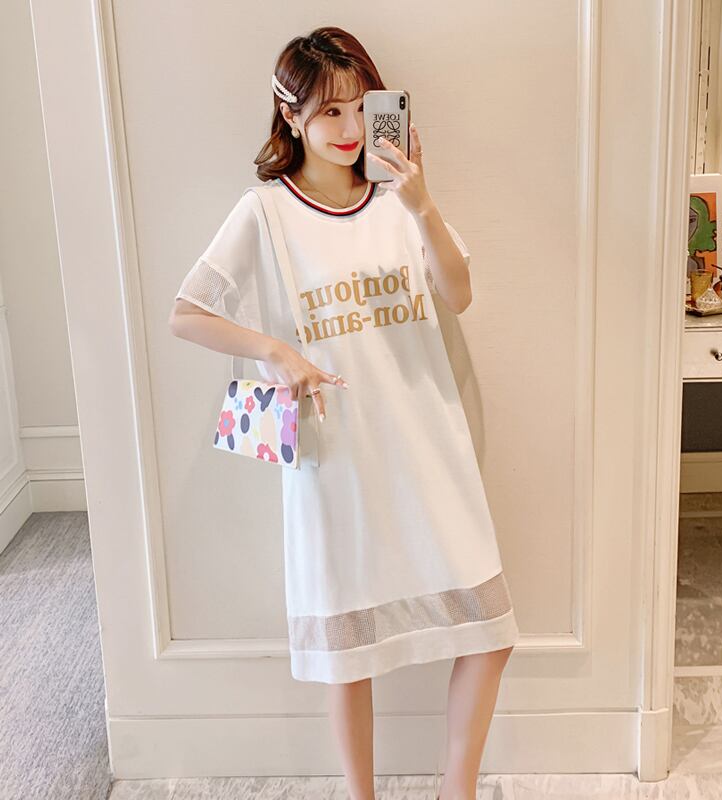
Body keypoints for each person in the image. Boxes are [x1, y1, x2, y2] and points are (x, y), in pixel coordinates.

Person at [169, 25, 519, 800]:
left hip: (429, 448)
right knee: (349, 656)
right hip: (335, 462)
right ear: (290, 116)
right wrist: (274, 350)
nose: (352, 128)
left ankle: (455, 792)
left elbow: (459, 295)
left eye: (361, 106)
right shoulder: (265, 213)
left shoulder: (398, 201)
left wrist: (423, 205)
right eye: (329, 112)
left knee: (489, 631)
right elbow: (187, 313)